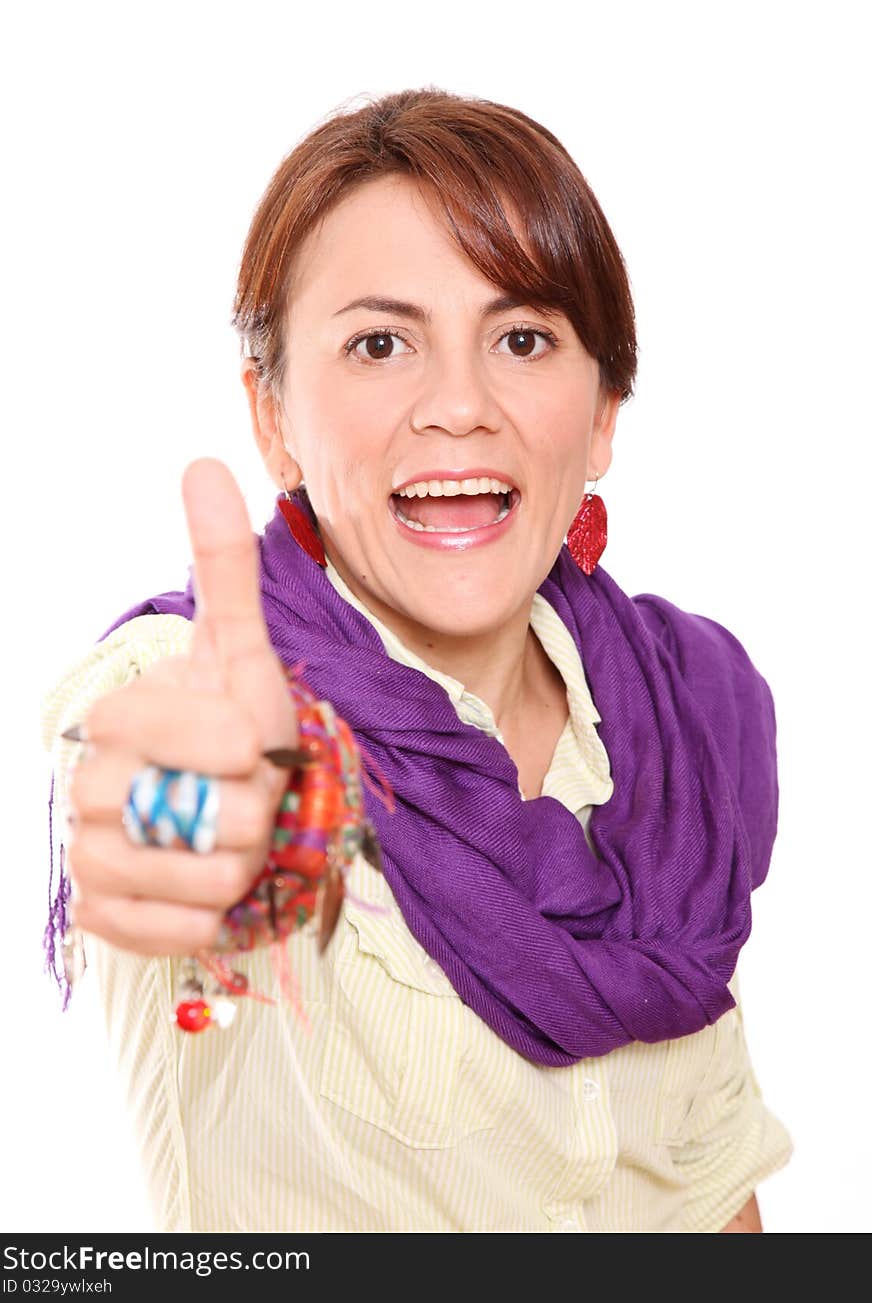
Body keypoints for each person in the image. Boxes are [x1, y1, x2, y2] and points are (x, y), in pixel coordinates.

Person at [40, 86, 793, 1233]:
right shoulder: (201, 692)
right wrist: (191, 819)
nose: (457, 404)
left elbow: (703, 1189)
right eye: (380, 343)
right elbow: (160, 789)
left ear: (599, 415)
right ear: (273, 418)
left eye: (524, 337)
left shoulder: (680, 718)